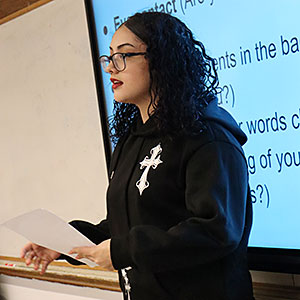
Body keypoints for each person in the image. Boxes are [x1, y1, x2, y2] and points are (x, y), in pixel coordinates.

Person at [21, 12, 254, 300]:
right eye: (109, 58)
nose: (110, 69)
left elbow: (217, 231)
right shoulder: (131, 140)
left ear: (162, 61)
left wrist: (122, 251)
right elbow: (129, 224)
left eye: (124, 56)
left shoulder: (209, 138)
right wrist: (64, 242)